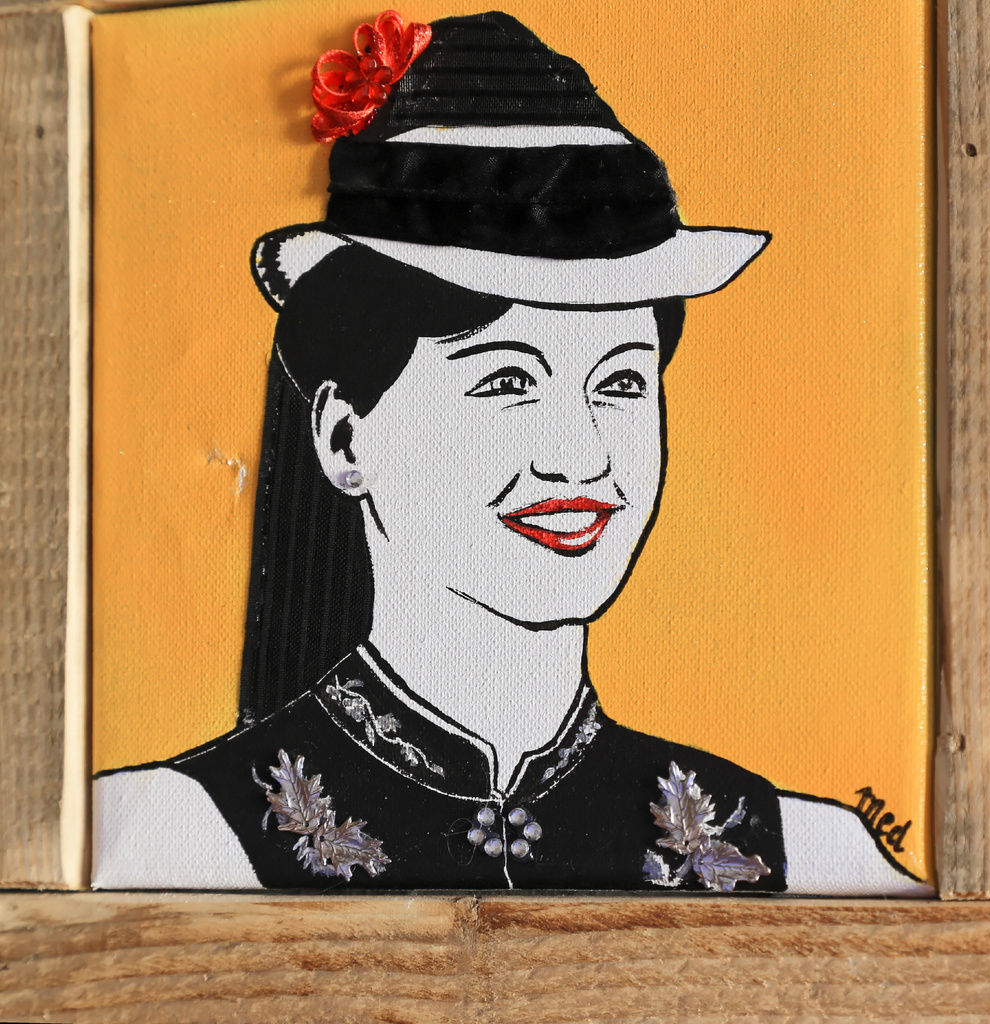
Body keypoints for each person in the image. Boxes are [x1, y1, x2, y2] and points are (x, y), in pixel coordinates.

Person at [94, 10, 928, 894]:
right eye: (505, 382)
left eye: (620, 382)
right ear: (344, 436)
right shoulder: (174, 835)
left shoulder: (803, 852)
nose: (579, 457)